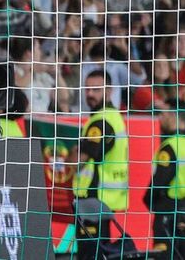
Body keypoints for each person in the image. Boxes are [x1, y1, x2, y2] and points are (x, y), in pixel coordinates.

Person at [72, 70, 130, 254]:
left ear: (109, 91)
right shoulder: (114, 117)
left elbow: (78, 162)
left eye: (96, 89)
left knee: (90, 253)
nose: (90, 94)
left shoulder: (100, 122)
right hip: (105, 200)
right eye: (87, 89)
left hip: (93, 199)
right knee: (101, 251)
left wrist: (70, 154)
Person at [145, 100, 185, 260]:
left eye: (163, 114)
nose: (160, 118)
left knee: (164, 255)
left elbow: (159, 182)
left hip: (169, 213)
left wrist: (148, 201)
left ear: (173, 115)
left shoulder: (170, 147)